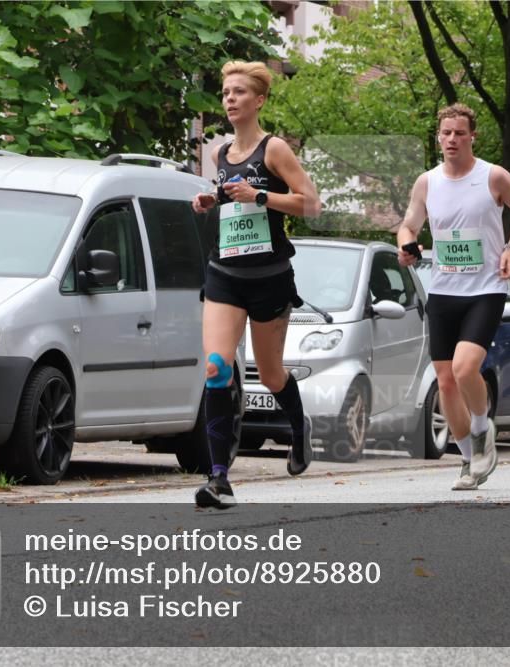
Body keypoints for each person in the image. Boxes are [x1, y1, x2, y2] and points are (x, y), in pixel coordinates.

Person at [191, 60, 322, 508]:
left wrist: (261, 195)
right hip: (225, 273)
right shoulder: (219, 154)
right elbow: (230, 199)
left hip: (268, 278)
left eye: (239, 92)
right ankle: (219, 478)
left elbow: (311, 205)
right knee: (216, 366)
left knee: (269, 373)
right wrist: (212, 199)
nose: (229, 99)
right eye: (226, 92)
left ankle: (299, 431)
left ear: (259, 100)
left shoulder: (275, 150)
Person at [397, 103, 510, 490]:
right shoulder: (427, 182)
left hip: (486, 288)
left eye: (460, 133)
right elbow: (409, 223)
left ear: (472, 136)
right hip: (442, 289)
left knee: (463, 368)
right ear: (438, 137)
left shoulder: (492, 177)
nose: (452, 139)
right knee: (445, 383)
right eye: (446, 133)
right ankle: (469, 459)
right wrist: (407, 243)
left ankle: (481, 428)